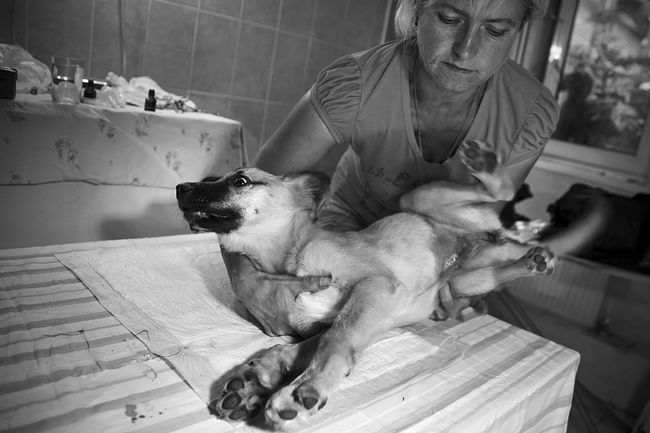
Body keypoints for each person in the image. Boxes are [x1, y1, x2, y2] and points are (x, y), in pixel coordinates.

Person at [222, 0, 559, 337]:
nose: (465, 49)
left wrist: (452, 278)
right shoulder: (356, 84)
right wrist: (246, 281)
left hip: (432, 247)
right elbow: (250, 190)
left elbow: (475, 226)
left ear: (519, 28)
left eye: (496, 30)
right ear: (416, 11)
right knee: (309, 320)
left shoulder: (528, 114)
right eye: (449, 18)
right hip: (346, 230)